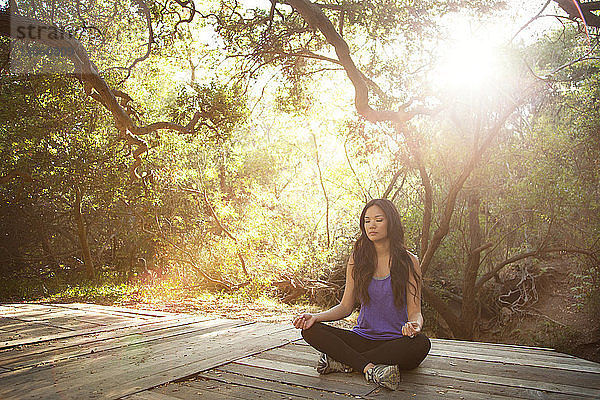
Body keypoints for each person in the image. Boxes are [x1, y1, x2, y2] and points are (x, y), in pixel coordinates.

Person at [292, 198, 431, 390]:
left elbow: (415, 310)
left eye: (378, 220)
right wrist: (315, 317)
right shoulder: (357, 259)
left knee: (421, 344)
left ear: (391, 222)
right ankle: (370, 368)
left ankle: (345, 361)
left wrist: (415, 325)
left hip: (395, 341)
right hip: (362, 339)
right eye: (367, 220)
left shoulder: (409, 261)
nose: (371, 225)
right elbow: (345, 307)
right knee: (310, 330)